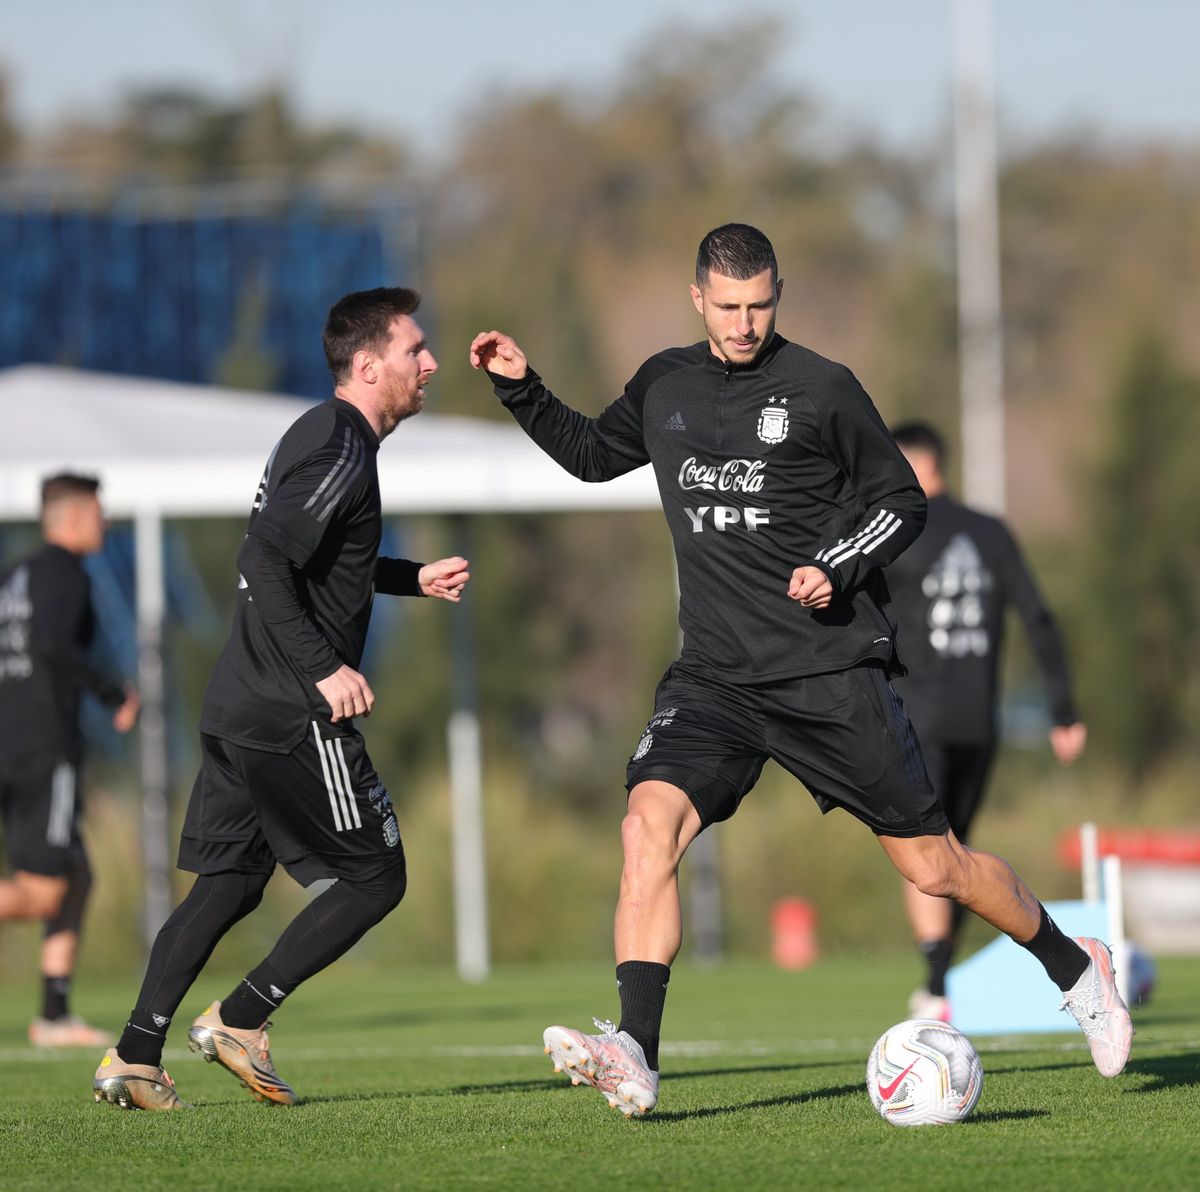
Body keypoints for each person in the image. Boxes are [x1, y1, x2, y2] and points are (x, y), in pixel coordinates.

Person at [469, 223, 1131, 1118]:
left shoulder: (822, 389)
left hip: (826, 672)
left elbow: (901, 500)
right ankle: (635, 1049)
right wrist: (522, 388)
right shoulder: (664, 382)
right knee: (644, 829)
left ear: (778, 295)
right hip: (714, 679)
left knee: (935, 869)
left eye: (761, 305)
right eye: (729, 306)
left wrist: (839, 564)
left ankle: (1075, 963)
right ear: (697, 297)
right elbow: (593, 456)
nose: (745, 324)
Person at [93, 287, 469, 1111]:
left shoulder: (317, 433)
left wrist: (409, 577)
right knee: (377, 876)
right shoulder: (343, 448)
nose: (430, 363)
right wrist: (324, 670)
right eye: (416, 350)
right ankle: (242, 1018)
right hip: (290, 710)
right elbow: (265, 559)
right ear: (370, 366)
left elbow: (312, 558)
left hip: (238, 702)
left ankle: (133, 1056)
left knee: (228, 883)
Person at [884, 421, 1087, 1021]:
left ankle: (938, 982)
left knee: (926, 850)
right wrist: (1064, 712)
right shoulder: (991, 533)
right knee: (958, 852)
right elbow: (1039, 618)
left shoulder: (894, 533)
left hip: (916, 718)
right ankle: (941, 983)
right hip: (979, 721)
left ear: (917, 465)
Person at [0, 473, 140, 1048]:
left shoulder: (16, 576)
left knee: (77, 875)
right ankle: (54, 1016)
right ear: (77, 516)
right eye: (100, 513)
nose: (105, 524)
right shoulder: (66, 575)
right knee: (45, 892)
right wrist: (114, 694)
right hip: (42, 747)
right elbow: (57, 648)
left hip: (11, 737)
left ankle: (54, 1015)